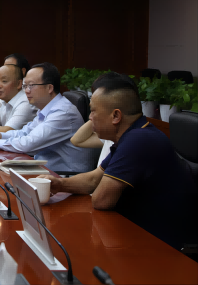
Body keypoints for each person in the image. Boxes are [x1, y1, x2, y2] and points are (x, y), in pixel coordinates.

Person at [36, 74, 195, 250]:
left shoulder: (139, 140)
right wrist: (59, 184)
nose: (90, 118)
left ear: (116, 116)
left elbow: (101, 200)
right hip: (132, 231)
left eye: (93, 111)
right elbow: (93, 179)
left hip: (157, 245)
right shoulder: (132, 135)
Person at [0, 62, 98, 173]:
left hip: (63, 176)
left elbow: (29, 143)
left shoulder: (62, 112)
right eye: (25, 86)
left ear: (49, 88)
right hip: (44, 170)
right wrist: (0, 135)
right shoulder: (46, 108)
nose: (26, 91)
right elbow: (25, 132)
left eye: (31, 86)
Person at [69, 72, 130, 166]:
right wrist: (97, 113)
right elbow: (76, 140)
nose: (90, 117)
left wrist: (100, 112)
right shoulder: (110, 132)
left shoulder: (130, 139)